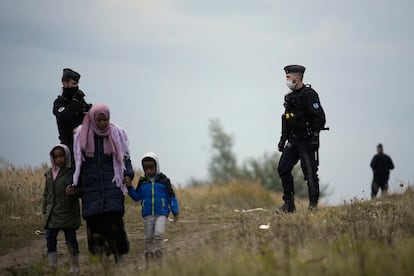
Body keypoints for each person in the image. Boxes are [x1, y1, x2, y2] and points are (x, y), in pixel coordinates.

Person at [71, 103, 134, 263]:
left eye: (104, 120)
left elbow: (125, 158)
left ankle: (119, 256)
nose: (101, 123)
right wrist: (71, 183)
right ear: (93, 119)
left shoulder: (117, 134)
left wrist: (128, 174)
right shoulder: (82, 136)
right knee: (94, 222)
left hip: (112, 185)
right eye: (98, 120)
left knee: (114, 221)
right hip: (91, 188)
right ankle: (99, 260)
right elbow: (77, 162)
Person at [277, 65, 326, 212]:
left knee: (309, 172)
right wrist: (282, 139)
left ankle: (313, 205)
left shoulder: (309, 94)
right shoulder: (289, 97)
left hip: (306, 140)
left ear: (297, 78)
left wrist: (315, 136)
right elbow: (286, 119)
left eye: (288, 77)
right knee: (283, 168)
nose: (286, 80)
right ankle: (289, 205)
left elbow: (320, 118)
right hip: (293, 140)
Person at [125, 152, 179, 266]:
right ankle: (149, 260)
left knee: (159, 234)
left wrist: (175, 211)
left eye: (151, 168)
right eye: (146, 168)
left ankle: (159, 260)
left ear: (156, 166)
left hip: (162, 213)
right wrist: (129, 187)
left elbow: (172, 196)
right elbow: (137, 197)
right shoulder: (142, 181)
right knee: (148, 237)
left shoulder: (164, 180)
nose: (148, 171)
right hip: (147, 214)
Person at [42, 144, 81, 273]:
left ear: (67, 156)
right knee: (50, 238)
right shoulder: (49, 173)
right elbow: (46, 193)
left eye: (61, 156)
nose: (59, 159)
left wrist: (74, 191)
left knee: (70, 239)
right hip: (52, 213)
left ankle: (75, 266)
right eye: (56, 157)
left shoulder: (72, 173)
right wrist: (45, 208)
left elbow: (80, 191)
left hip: (68, 212)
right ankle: (52, 265)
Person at [53, 68, 92, 154]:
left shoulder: (80, 101)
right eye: (73, 84)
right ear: (65, 83)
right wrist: (75, 102)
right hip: (68, 144)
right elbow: (66, 116)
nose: (76, 87)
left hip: (83, 143)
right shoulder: (59, 103)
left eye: (77, 84)